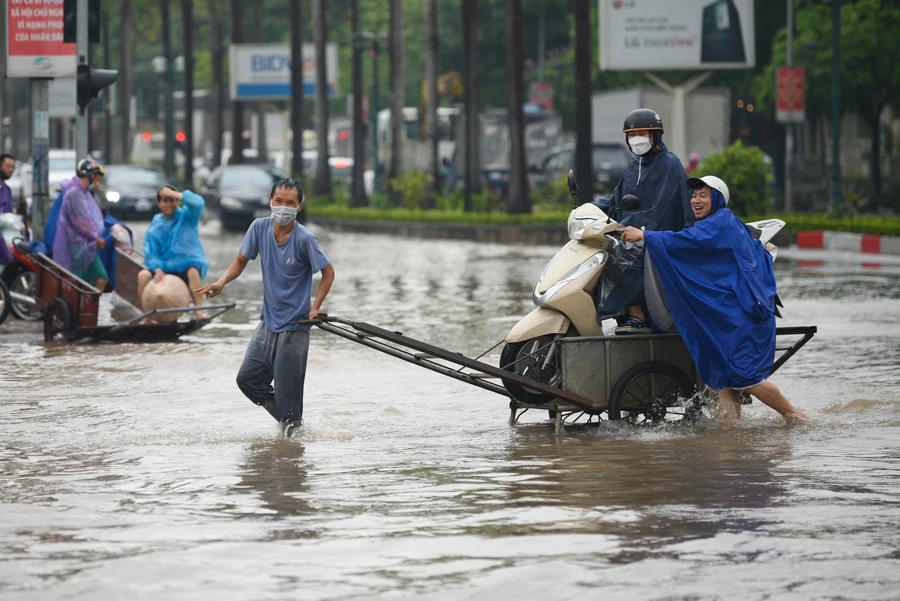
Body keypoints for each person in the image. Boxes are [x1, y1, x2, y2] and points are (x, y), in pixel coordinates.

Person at [617, 175, 808, 426]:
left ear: (717, 198)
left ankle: (795, 416)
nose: (696, 200)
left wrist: (644, 236)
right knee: (722, 378)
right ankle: (730, 435)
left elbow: (687, 243)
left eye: (703, 195)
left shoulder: (720, 223)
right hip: (727, 319)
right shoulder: (713, 224)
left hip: (742, 319)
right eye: (694, 195)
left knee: (746, 378)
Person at [195, 178, 335, 437]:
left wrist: (315, 307)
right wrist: (221, 281)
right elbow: (240, 261)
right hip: (268, 321)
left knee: (287, 395)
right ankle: (291, 427)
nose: (283, 207)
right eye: (278, 201)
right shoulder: (258, 228)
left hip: (295, 326)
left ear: (299, 207)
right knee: (247, 379)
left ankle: (292, 448)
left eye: (290, 203)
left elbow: (328, 273)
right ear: (271, 202)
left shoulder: (305, 239)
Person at [593, 108, 693, 334]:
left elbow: (663, 207)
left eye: (642, 132)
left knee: (624, 252)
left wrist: (635, 227)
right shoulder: (633, 167)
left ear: (654, 136)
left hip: (661, 232)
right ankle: (625, 314)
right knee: (603, 250)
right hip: (636, 229)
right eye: (631, 134)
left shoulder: (669, 164)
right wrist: (589, 209)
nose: (636, 138)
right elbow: (616, 200)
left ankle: (637, 314)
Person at [137, 185, 210, 320]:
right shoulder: (155, 227)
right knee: (143, 275)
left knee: (193, 272)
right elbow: (151, 253)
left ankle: (198, 311)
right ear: (159, 203)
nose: (169, 204)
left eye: (172, 200)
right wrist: (157, 268)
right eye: (165, 200)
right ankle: (145, 316)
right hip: (164, 269)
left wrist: (177, 194)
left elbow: (199, 203)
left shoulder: (188, 217)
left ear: (177, 201)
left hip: (186, 266)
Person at [52, 157, 108, 291]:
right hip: (76, 246)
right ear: (91, 176)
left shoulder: (83, 193)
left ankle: (87, 309)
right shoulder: (75, 194)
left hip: (85, 245)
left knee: (97, 279)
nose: (97, 184)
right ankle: (79, 310)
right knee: (77, 284)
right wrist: (95, 237)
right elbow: (82, 221)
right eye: (97, 179)